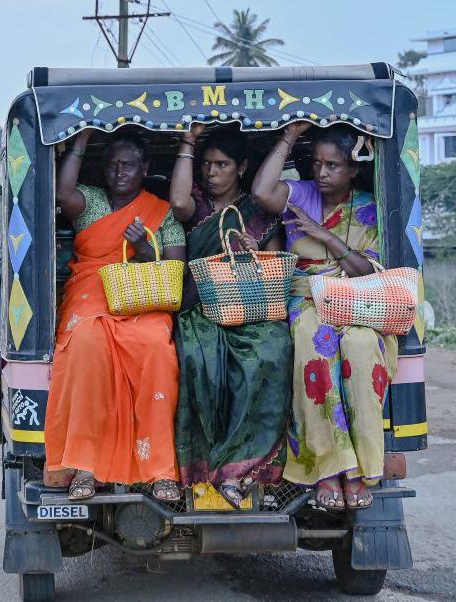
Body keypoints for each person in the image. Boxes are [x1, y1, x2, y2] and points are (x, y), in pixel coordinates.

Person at [251, 122, 397, 510]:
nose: (322, 173)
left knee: (363, 346)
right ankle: (330, 470)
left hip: (357, 301)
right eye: (316, 164)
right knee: (317, 350)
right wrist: (289, 137)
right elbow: (261, 192)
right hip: (306, 299)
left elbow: (368, 273)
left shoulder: (368, 207)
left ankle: (363, 469)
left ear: (353, 169)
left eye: (333, 165)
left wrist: (325, 236)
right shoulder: (300, 194)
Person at [46, 128, 186, 503]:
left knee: (157, 347)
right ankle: (85, 466)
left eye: (128, 165)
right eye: (112, 166)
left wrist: (144, 250)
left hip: (141, 299)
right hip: (91, 295)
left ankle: (159, 470)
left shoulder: (162, 212)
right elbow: (62, 194)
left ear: (145, 168)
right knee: (87, 342)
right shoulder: (90, 200)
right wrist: (80, 141)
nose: (119, 172)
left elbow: (175, 266)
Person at [167, 124, 293, 508]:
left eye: (221, 165)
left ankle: (244, 468)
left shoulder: (260, 213)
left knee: (273, 351)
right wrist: (188, 143)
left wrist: (252, 249)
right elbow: (176, 201)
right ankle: (201, 469)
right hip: (200, 307)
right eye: (206, 164)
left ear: (242, 167)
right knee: (195, 357)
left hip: (252, 308)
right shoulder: (197, 206)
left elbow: (274, 266)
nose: (211, 172)